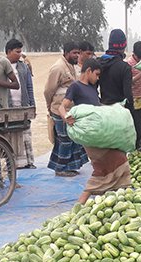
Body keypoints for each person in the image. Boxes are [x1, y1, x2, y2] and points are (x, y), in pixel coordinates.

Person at [60, 58, 132, 204]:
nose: (98, 78)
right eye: (97, 74)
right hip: (91, 138)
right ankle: (80, 205)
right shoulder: (75, 87)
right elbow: (62, 106)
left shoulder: (92, 88)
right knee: (103, 168)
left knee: (118, 160)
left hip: (100, 135)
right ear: (88, 71)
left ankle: (116, 199)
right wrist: (66, 117)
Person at [45, 41, 88, 176]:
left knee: (71, 138)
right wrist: (50, 107)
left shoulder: (71, 67)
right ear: (66, 53)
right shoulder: (58, 68)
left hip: (71, 109)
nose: (77, 56)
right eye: (74, 53)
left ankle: (69, 166)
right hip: (59, 109)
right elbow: (48, 90)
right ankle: (60, 169)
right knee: (64, 139)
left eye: (78, 53)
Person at [5, 39, 37, 169]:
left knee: (26, 135)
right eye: (17, 52)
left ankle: (29, 162)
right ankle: (15, 164)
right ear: (8, 52)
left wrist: (32, 105)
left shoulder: (23, 66)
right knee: (12, 136)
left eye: (20, 51)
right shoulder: (2, 65)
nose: (20, 54)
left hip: (23, 105)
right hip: (9, 106)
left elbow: (29, 86)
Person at [98, 29, 134, 110]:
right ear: (123, 46)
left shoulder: (99, 64)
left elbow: (92, 90)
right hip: (120, 111)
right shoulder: (125, 68)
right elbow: (128, 96)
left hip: (103, 109)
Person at [126, 41, 141, 150]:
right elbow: (128, 81)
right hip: (132, 98)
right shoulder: (129, 64)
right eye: (138, 57)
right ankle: (131, 147)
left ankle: (138, 146)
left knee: (139, 124)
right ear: (133, 53)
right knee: (132, 125)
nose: (140, 60)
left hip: (140, 97)